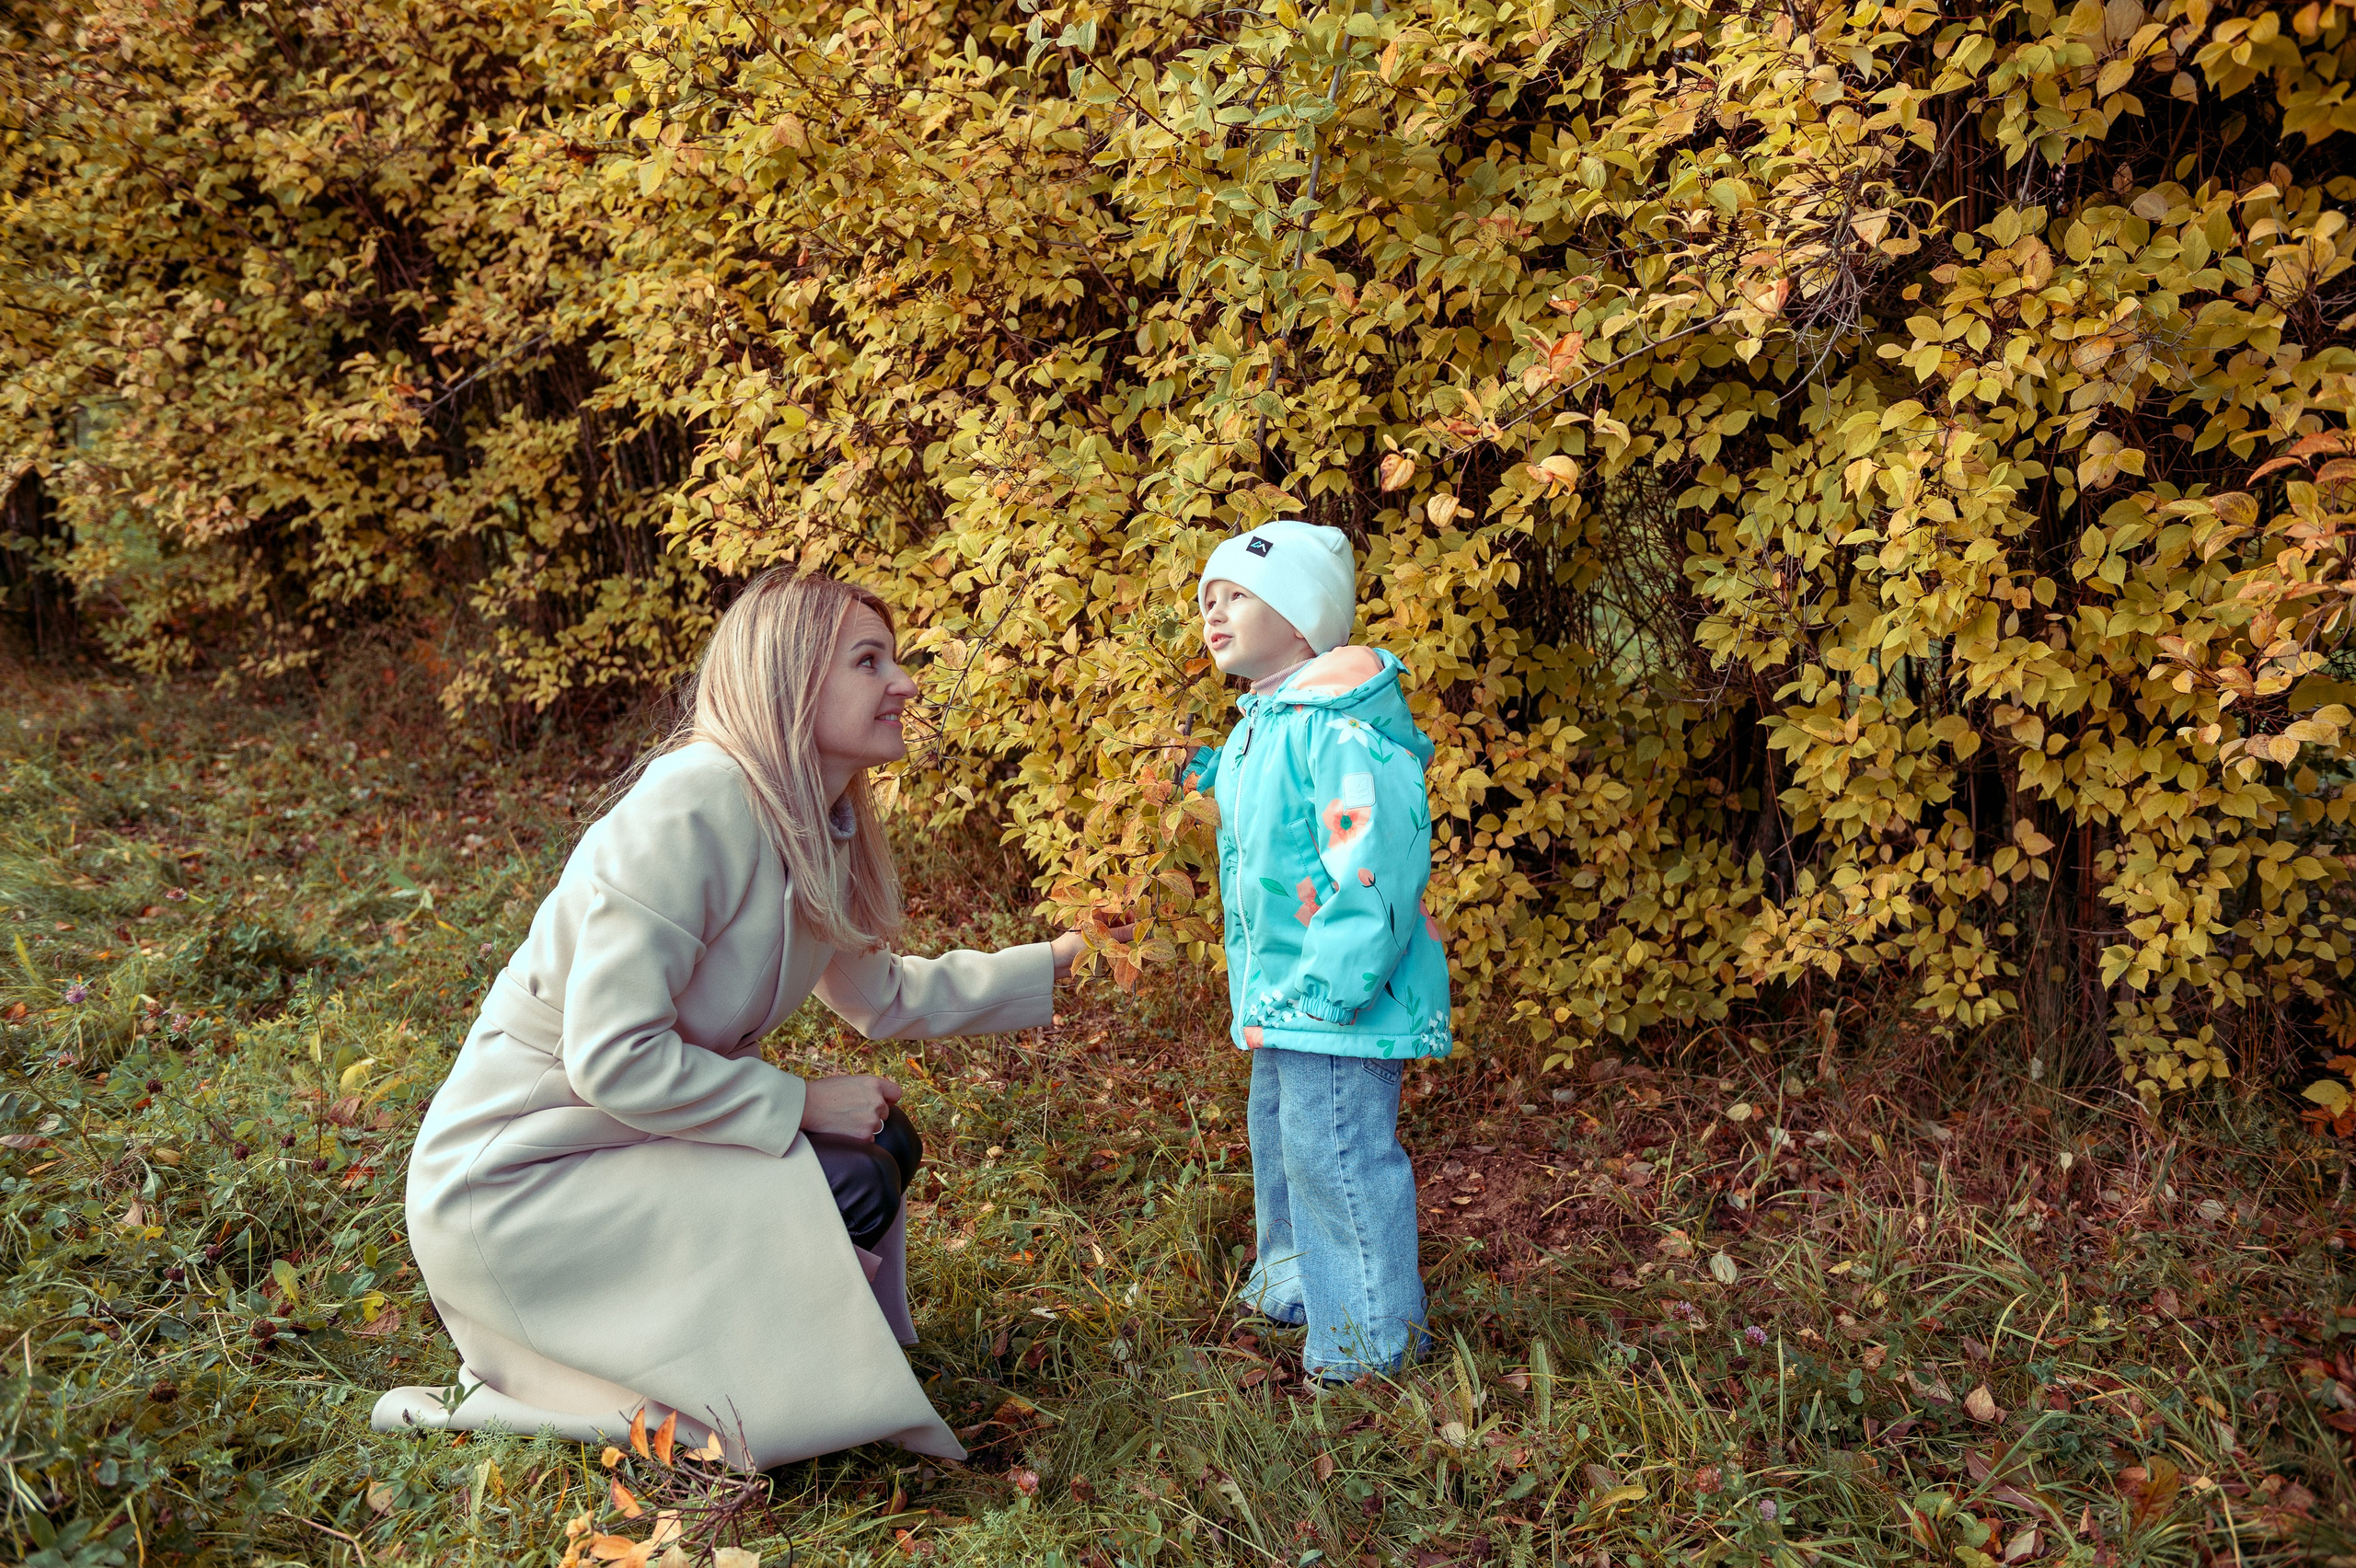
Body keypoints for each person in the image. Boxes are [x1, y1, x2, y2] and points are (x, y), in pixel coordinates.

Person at [373, 572, 1098, 1468]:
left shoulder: (813, 820)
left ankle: (788, 1368)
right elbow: (609, 1058)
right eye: (869, 661)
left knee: (884, 1148)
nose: (904, 683)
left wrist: (1063, 961)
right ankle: (771, 1384)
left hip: (622, 1140)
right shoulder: (693, 805)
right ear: (790, 679)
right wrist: (795, 1103)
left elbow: (883, 996)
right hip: (521, 1181)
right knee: (852, 1178)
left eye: (894, 659)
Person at [1182, 519, 1453, 1386]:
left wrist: (1332, 986)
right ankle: (1298, 1282)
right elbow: (1267, 802)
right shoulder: (1271, 719)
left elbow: (1375, 864)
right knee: (1286, 1137)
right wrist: (1209, 771)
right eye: (1209, 600)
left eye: (1239, 598)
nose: (1215, 614)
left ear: (1302, 622)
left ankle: (1371, 1339)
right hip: (1286, 993)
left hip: (1337, 996)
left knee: (1337, 1151)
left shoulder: (1341, 730)